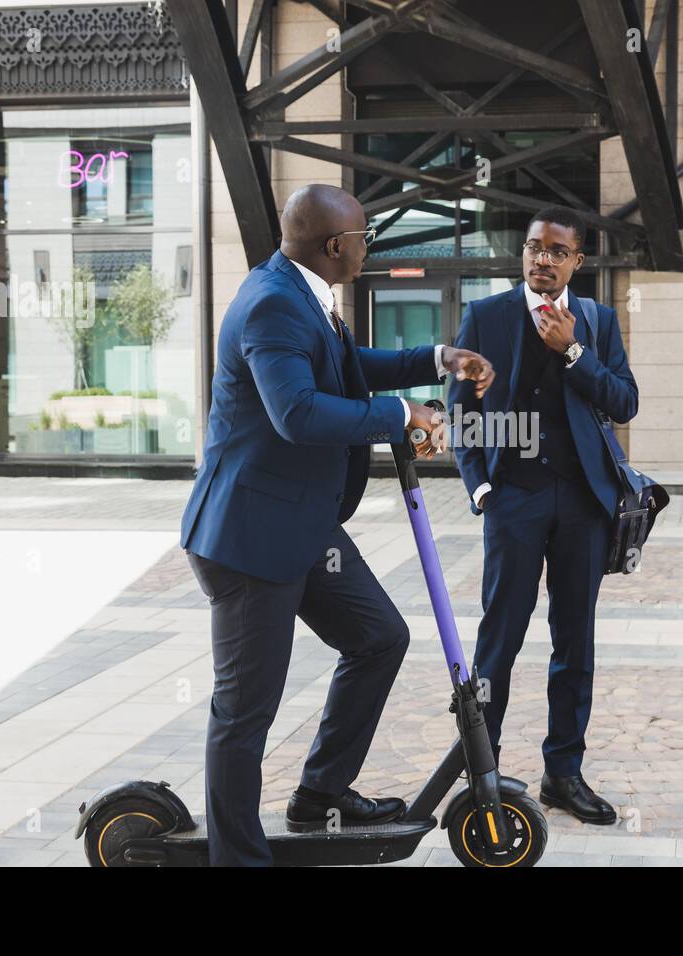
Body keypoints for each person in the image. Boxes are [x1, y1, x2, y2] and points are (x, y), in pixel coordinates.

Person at [180, 183, 495, 865]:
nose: (366, 250)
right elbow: (298, 413)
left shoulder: (302, 294)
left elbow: (345, 374)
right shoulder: (271, 305)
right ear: (335, 247)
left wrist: (436, 360)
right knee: (244, 713)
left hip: (301, 526)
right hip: (249, 539)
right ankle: (237, 858)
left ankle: (321, 793)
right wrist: (401, 417)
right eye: (363, 241)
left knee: (380, 637)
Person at [448, 205, 637, 825]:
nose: (542, 259)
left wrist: (576, 352)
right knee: (498, 640)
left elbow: (624, 402)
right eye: (534, 247)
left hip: (583, 501)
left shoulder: (599, 321)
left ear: (576, 261)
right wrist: (480, 488)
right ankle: (484, 770)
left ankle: (564, 772)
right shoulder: (487, 316)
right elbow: (462, 414)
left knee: (574, 641)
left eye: (557, 250)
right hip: (514, 500)